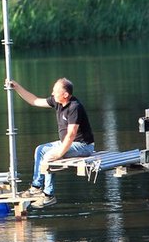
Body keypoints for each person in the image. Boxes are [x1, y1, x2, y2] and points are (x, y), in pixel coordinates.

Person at [9, 77, 95, 208]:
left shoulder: (74, 107)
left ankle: (49, 195)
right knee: (40, 150)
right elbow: (34, 101)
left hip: (83, 146)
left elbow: (71, 134)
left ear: (65, 95)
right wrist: (17, 87)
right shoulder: (57, 102)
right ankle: (36, 186)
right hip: (67, 143)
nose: (52, 93)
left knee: (49, 155)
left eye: (55, 91)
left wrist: (59, 153)